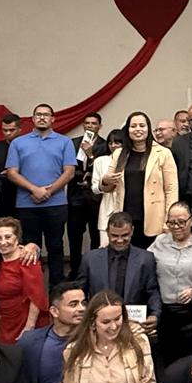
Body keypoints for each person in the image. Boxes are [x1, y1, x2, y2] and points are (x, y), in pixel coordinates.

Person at [5, 104, 78, 286]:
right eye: (38, 114)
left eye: (46, 115)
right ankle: (32, 288)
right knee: (29, 247)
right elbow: (11, 173)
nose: (42, 118)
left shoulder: (64, 142)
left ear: (53, 119)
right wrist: (34, 189)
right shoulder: (18, 143)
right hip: (26, 204)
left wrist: (48, 192)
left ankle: (56, 289)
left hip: (56, 203)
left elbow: (69, 172)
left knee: (56, 246)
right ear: (33, 119)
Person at [82, 214, 164, 356]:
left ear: (132, 231)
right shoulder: (90, 259)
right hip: (99, 326)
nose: (120, 240)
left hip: (133, 324)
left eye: (125, 235)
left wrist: (155, 315)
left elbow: (152, 290)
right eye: (114, 236)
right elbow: (81, 292)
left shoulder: (146, 258)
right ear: (107, 232)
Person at [149, 203, 192, 364]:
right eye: (171, 223)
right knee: (167, 362)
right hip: (167, 314)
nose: (176, 227)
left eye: (181, 222)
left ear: (191, 220)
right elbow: (144, 266)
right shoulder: (160, 241)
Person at [99, 111, 178, 248]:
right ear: (127, 130)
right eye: (133, 126)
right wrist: (105, 181)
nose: (138, 129)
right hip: (125, 215)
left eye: (142, 125)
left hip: (153, 216)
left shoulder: (163, 153)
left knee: (150, 255)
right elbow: (108, 186)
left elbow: (171, 189)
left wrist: (169, 220)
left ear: (148, 128)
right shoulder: (119, 153)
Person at [0, 216, 48, 344]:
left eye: (8, 237)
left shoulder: (27, 260)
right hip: (6, 322)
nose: (3, 242)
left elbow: (36, 297)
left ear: (17, 238)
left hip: (25, 323)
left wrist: (29, 327)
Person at [67, 113, 108, 274]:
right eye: (87, 123)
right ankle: (74, 270)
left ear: (99, 126)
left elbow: (103, 169)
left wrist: (91, 155)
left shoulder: (104, 145)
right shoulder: (73, 143)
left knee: (95, 234)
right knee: (74, 234)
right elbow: (68, 167)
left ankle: (93, 270)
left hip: (95, 197)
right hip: (75, 195)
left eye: (93, 123)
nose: (90, 126)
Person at [91, 129, 127, 241]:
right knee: (105, 243)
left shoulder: (132, 159)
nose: (113, 146)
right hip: (107, 206)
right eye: (110, 143)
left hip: (127, 205)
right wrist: (104, 183)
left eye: (117, 142)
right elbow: (94, 188)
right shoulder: (100, 161)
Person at [0, 112, 24, 219]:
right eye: (5, 130)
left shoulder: (29, 146)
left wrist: (13, 172)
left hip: (24, 196)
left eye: (12, 130)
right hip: (3, 198)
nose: (8, 133)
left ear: (20, 129)